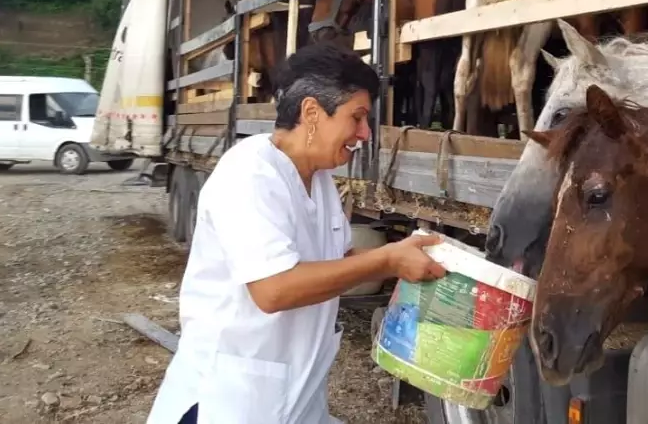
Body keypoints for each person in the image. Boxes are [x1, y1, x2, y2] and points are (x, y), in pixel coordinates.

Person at [146, 44, 447, 424]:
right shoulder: (250, 173)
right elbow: (274, 289)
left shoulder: (318, 179)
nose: (365, 133)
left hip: (293, 397)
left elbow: (336, 266)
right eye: (357, 117)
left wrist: (401, 262)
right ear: (311, 113)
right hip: (230, 401)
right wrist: (387, 258)